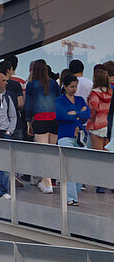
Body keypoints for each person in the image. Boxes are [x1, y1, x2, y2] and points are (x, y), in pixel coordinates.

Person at [24, 59, 60, 192]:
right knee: (51, 152)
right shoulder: (53, 84)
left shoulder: (31, 85)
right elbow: (59, 100)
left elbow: (28, 105)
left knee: (43, 153)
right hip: (54, 119)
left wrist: (28, 122)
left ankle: (47, 182)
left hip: (39, 119)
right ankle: (49, 181)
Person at [55, 70, 90, 205]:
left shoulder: (80, 99)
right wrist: (78, 113)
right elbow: (61, 115)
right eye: (72, 87)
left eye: (76, 86)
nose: (74, 89)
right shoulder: (59, 100)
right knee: (68, 167)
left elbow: (87, 113)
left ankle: (73, 193)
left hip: (80, 138)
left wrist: (73, 113)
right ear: (65, 86)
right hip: (65, 136)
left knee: (81, 166)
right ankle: (71, 198)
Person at [87, 66, 112, 192]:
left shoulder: (94, 93)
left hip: (97, 126)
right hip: (109, 127)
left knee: (98, 156)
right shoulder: (110, 92)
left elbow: (93, 110)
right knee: (108, 156)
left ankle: (100, 184)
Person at [0, 57, 25, 139]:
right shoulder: (16, 84)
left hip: (0, 123)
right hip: (15, 122)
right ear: (8, 70)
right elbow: (20, 103)